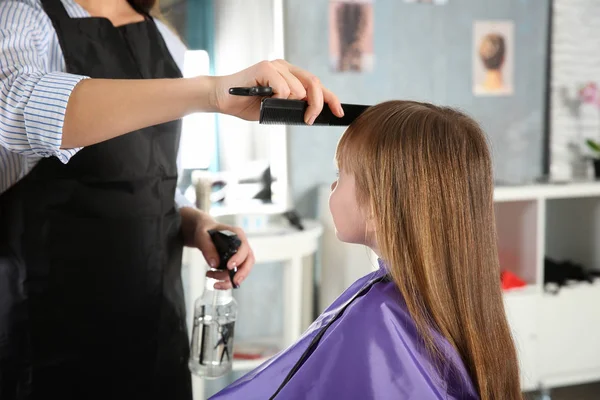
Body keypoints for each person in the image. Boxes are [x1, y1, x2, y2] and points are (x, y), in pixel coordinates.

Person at [0, 0, 343, 399]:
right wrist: (210, 91)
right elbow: (15, 109)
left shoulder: (164, 41)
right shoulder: (21, 15)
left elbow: (158, 182)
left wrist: (199, 224)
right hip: (46, 345)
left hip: (155, 334)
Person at [210, 101, 522, 400]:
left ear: (377, 206)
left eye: (339, 174)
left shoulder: (377, 317)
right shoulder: (457, 300)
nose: (333, 187)